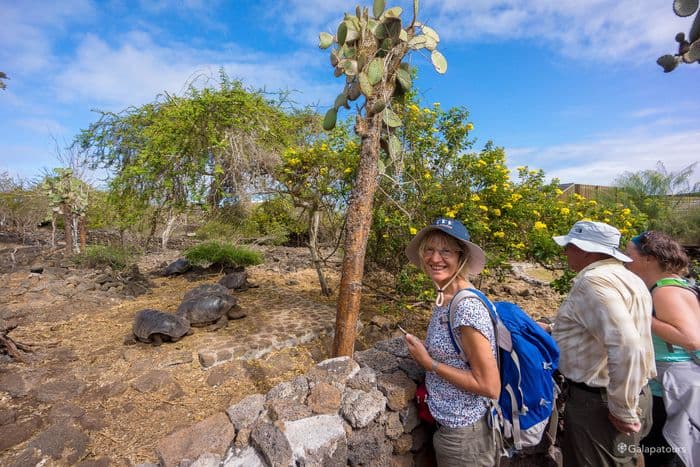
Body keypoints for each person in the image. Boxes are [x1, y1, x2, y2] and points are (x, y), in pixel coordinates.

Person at [550, 220, 656, 467]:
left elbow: (625, 344)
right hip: (634, 392)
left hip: (602, 401)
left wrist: (622, 408)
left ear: (585, 249)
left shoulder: (593, 282)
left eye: (570, 246)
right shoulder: (629, 278)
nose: (565, 252)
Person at [403, 218, 501, 466]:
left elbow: (490, 385)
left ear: (461, 258)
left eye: (446, 250)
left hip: (465, 435)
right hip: (450, 427)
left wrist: (430, 363)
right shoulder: (445, 296)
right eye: (429, 250)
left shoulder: (466, 307)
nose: (435, 258)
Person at [626, 230, 700, 467]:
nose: (626, 260)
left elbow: (691, 339)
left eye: (630, 255)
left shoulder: (665, 291)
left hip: (673, 386)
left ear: (649, 258)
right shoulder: (671, 285)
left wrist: (641, 316)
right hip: (669, 385)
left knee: (664, 451)